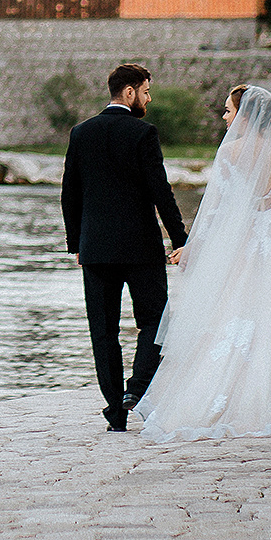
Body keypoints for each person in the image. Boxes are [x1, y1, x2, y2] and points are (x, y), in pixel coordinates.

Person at [135, 84, 271, 443]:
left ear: (246, 115)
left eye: (228, 111)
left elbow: (216, 211)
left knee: (233, 311)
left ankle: (234, 397)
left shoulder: (231, 153)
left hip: (242, 243)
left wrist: (192, 248)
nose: (224, 117)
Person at [61, 63, 189, 432]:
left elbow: (70, 193)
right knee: (155, 321)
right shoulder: (143, 133)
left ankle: (115, 409)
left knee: (103, 330)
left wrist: (77, 244)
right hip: (140, 249)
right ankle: (136, 390)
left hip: (96, 250)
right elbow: (160, 192)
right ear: (129, 92)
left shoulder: (81, 132)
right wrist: (179, 239)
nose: (148, 99)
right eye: (146, 91)